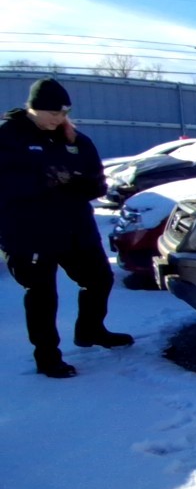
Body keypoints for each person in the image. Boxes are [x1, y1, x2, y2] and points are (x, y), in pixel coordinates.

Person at [0, 78, 133, 378]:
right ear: (32, 107)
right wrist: (44, 180)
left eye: (62, 114)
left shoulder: (74, 140)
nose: (57, 120)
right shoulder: (8, 136)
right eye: (51, 113)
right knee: (42, 295)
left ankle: (91, 330)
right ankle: (47, 356)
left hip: (75, 227)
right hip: (29, 231)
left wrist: (78, 182)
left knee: (99, 278)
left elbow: (97, 182)